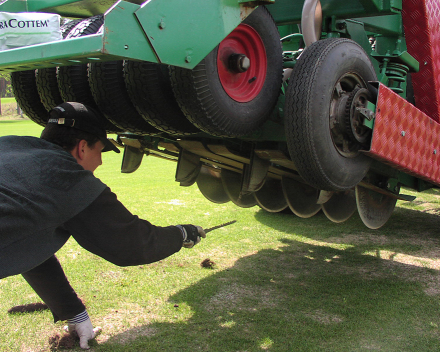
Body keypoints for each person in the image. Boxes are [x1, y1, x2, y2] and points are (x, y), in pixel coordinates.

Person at [0, 102, 206, 349]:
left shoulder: (10, 146)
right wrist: (181, 233)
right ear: (82, 147)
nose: (99, 163)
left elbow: (28, 243)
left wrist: (74, 312)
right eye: (100, 151)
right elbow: (132, 243)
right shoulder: (67, 177)